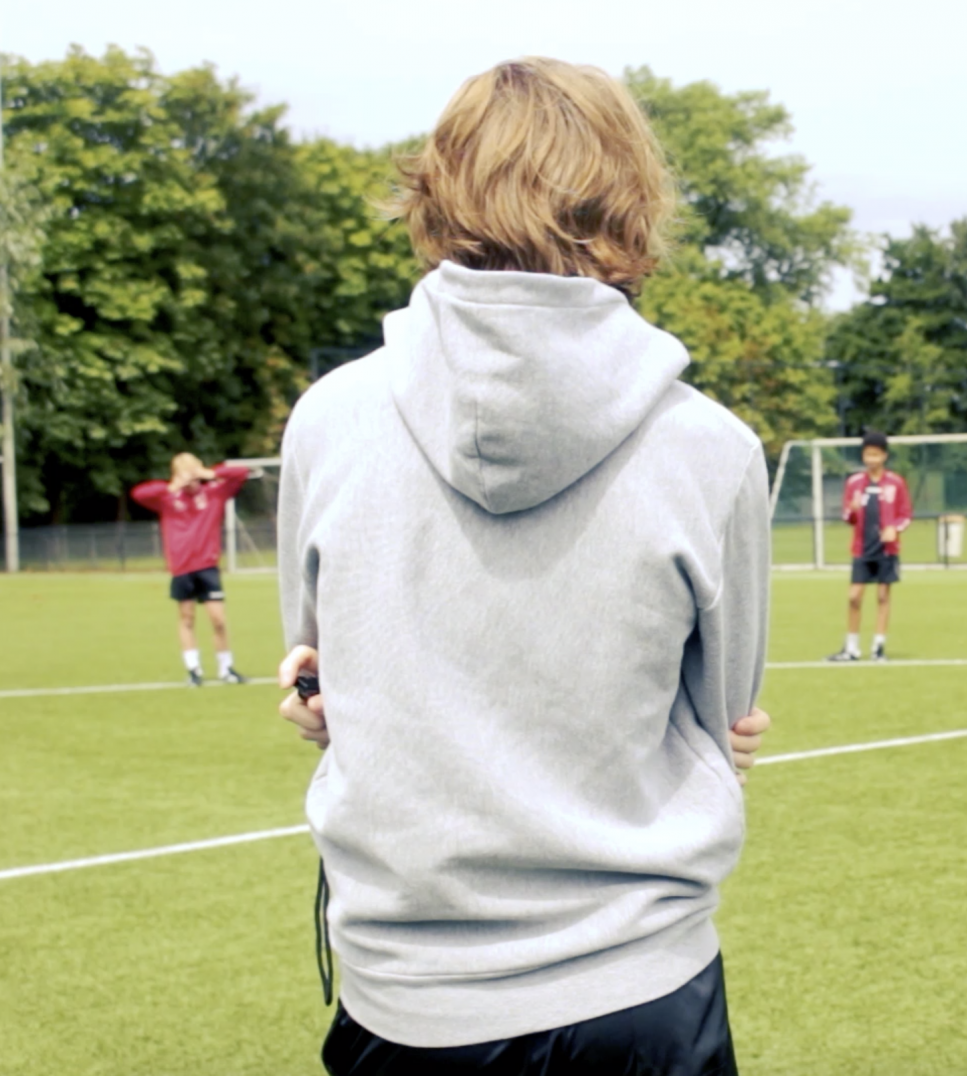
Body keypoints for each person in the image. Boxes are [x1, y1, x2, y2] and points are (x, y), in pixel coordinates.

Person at [270, 58, 771, 1074]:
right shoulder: (712, 444)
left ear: (438, 187)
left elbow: (316, 660)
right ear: (628, 196)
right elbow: (726, 707)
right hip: (637, 987)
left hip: (404, 996)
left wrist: (333, 689)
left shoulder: (328, 418)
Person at [130, 453, 252, 686]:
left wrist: (210, 474)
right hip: (181, 567)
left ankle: (226, 669)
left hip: (208, 565)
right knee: (186, 618)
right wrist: (173, 485)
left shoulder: (214, 493)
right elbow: (139, 494)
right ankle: (193, 669)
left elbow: (241, 473)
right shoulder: (166, 498)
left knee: (218, 619)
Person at [827, 429, 911, 663]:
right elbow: (847, 516)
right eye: (867, 455)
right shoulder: (855, 483)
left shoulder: (895, 483)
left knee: (883, 596)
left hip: (886, 550)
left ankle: (878, 647)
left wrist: (895, 528)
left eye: (876, 454)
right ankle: (851, 648)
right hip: (862, 548)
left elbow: (905, 515)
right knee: (854, 596)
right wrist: (852, 511)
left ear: (884, 456)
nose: (871, 459)